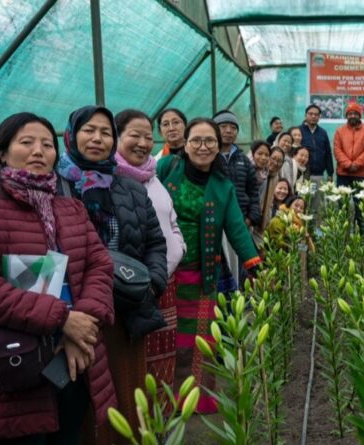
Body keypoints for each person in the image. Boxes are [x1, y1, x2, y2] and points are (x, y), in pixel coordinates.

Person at [0, 113, 116, 445]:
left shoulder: (70, 209)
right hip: (15, 363)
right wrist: (63, 319)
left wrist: (83, 323)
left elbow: (100, 266)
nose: (39, 151)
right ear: (2, 152)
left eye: (46, 144)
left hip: (72, 357)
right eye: (26, 142)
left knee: (69, 432)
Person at [56, 106, 167, 444]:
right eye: (89, 130)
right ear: (72, 136)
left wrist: (152, 284)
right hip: (77, 318)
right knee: (83, 405)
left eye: (105, 132)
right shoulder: (55, 187)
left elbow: (154, 242)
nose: (97, 138)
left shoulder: (130, 188)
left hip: (125, 313)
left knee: (126, 396)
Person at [156, 117, 262, 415]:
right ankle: (166, 398)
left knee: (201, 339)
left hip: (202, 274)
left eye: (209, 141)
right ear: (185, 145)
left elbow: (237, 228)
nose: (203, 147)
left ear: (219, 146)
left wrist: (254, 265)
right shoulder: (167, 169)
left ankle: (198, 401)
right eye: (196, 140)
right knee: (168, 337)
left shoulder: (222, 186)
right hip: (164, 274)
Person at [115, 109, 186, 394]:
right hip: (132, 289)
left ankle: (163, 427)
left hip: (164, 282)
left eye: (148, 136)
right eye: (134, 135)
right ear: (117, 137)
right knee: (137, 363)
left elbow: (172, 220)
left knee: (163, 360)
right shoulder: (110, 181)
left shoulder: (153, 177)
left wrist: (178, 248)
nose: (143, 143)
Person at [212, 109, 261, 291]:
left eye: (233, 127)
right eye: (223, 126)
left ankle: (242, 298)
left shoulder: (243, 159)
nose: (228, 131)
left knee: (241, 263)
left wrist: (251, 217)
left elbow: (253, 191)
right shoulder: (209, 157)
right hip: (214, 224)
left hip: (239, 222)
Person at [333, 103, 364, 187]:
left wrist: (356, 164)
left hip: (361, 173)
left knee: (360, 200)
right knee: (342, 200)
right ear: (346, 116)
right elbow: (337, 150)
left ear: (359, 116)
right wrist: (348, 165)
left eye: (355, 114)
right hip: (343, 173)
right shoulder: (339, 131)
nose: (353, 116)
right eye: (350, 114)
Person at [300, 104, 334, 183]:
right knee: (303, 195)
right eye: (310, 114)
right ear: (305, 115)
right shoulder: (299, 131)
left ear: (319, 117)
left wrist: (330, 173)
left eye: (316, 114)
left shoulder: (323, 132)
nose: (313, 116)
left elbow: (328, 154)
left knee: (318, 195)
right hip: (302, 174)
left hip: (319, 175)